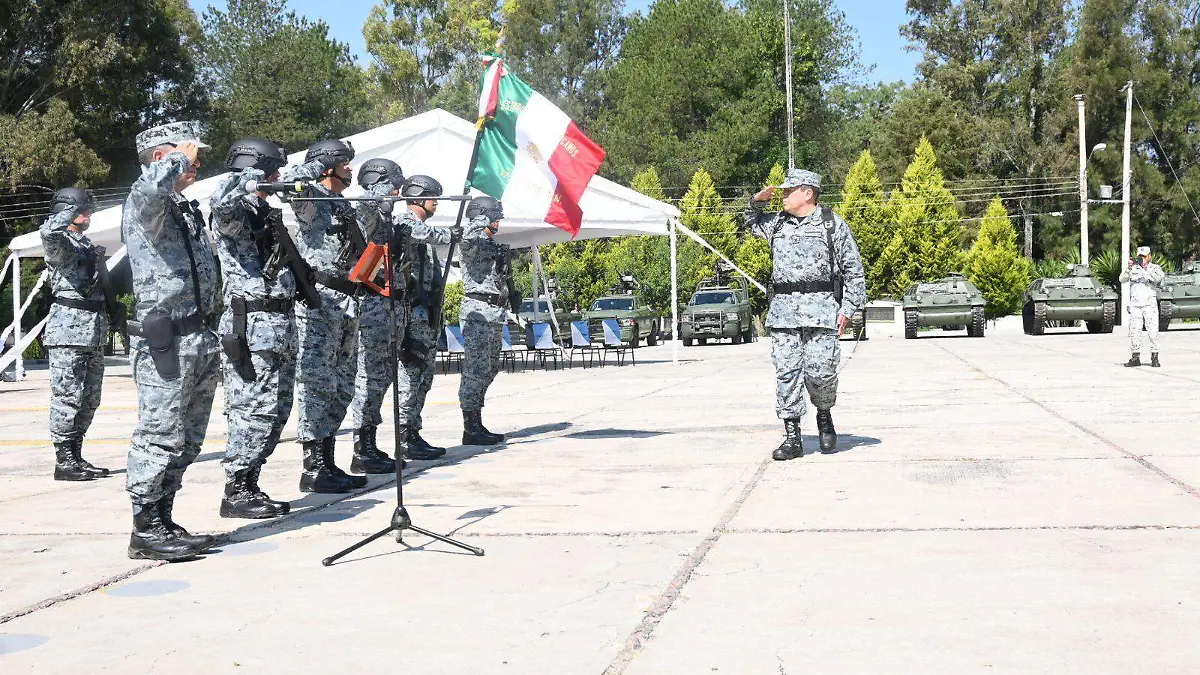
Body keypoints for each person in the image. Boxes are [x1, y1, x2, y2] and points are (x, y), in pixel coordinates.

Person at [122, 121, 221, 560]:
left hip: (198, 334)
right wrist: (177, 156)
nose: (197, 163)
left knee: (189, 437)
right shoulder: (146, 201)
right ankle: (144, 529)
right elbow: (148, 190)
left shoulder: (181, 205)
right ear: (163, 157)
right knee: (159, 433)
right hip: (167, 339)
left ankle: (163, 516)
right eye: (190, 155)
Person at [744, 169, 866, 461]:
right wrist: (756, 201)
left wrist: (849, 309)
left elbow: (854, 270)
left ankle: (824, 413)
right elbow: (749, 223)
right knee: (787, 374)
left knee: (821, 374)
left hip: (822, 311)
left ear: (808, 193)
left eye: (789, 191)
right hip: (784, 313)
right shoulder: (776, 224)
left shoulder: (831, 225)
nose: (783, 196)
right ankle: (792, 437)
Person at [210, 137, 296, 519]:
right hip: (253, 325)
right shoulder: (233, 210)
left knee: (276, 410)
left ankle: (251, 480)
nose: (277, 177)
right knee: (251, 410)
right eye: (272, 169)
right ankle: (237, 488)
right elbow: (222, 202)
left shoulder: (263, 211)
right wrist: (251, 177)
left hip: (279, 323)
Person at [283, 138, 369, 493]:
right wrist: (318, 165)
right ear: (327, 165)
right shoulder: (312, 199)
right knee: (317, 385)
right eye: (344, 162)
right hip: (320, 304)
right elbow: (290, 186)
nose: (350, 168)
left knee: (342, 385)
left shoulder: (341, 203)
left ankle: (329, 460)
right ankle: (314, 467)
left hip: (348, 303)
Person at [39, 188, 112, 481]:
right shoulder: (59, 243)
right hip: (68, 332)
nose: (89, 213)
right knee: (68, 398)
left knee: (90, 398)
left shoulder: (85, 243)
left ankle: (76, 454)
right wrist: (68, 209)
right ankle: (64, 460)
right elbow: (48, 231)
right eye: (84, 209)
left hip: (93, 331)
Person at [347, 158, 408, 474]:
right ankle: (362, 448)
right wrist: (384, 188)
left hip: (389, 307)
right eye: (394, 183)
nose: (398, 191)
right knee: (368, 377)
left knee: (382, 377)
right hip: (372, 306)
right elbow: (367, 202)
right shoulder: (368, 213)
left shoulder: (386, 220)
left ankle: (370, 442)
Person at [393, 176, 455, 459]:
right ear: (417, 198)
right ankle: (404, 436)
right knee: (411, 372)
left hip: (427, 311)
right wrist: (454, 234)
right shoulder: (405, 223)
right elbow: (428, 235)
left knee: (424, 377)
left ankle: (414, 432)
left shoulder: (423, 229)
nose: (436, 203)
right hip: (412, 310)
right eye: (432, 197)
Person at [457, 195, 517, 445]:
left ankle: (476, 419)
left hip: (494, 313)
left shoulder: (492, 243)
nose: (498, 222)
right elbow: (465, 237)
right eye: (495, 217)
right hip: (478, 311)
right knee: (475, 369)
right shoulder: (472, 241)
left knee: (490, 367)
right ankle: (471, 427)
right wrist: (482, 218)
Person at [1120, 245, 1165, 368]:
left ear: (1149, 257)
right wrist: (1128, 269)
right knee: (1135, 331)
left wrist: (1144, 272)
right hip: (1135, 305)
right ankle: (1135, 357)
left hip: (1149, 305)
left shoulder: (1155, 268)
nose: (1142, 259)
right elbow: (1122, 279)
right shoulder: (1133, 268)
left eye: (1144, 257)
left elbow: (1159, 277)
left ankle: (1154, 357)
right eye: (1140, 257)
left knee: (1153, 332)